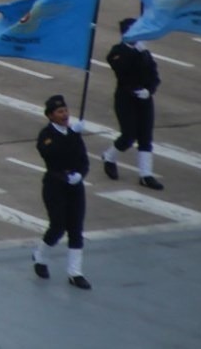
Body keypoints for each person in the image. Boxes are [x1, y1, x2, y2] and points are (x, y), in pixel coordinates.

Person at [100, 17, 164, 189]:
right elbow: (122, 69)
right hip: (126, 98)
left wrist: (149, 91)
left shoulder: (143, 52)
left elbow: (154, 76)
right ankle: (109, 156)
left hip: (144, 99)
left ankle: (145, 174)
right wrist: (137, 52)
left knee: (145, 136)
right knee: (128, 135)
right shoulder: (118, 51)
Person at [34, 93, 91, 289]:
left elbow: (84, 159)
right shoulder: (47, 136)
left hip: (75, 186)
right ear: (50, 116)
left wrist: (80, 175)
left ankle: (75, 272)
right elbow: (51, 154)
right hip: (55, 185)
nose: (65, 114)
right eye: (60, 111)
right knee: (58, 226)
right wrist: (72, 135)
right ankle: (40, 257)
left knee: (76, 229)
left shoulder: (73, 134)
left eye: (65, 110)